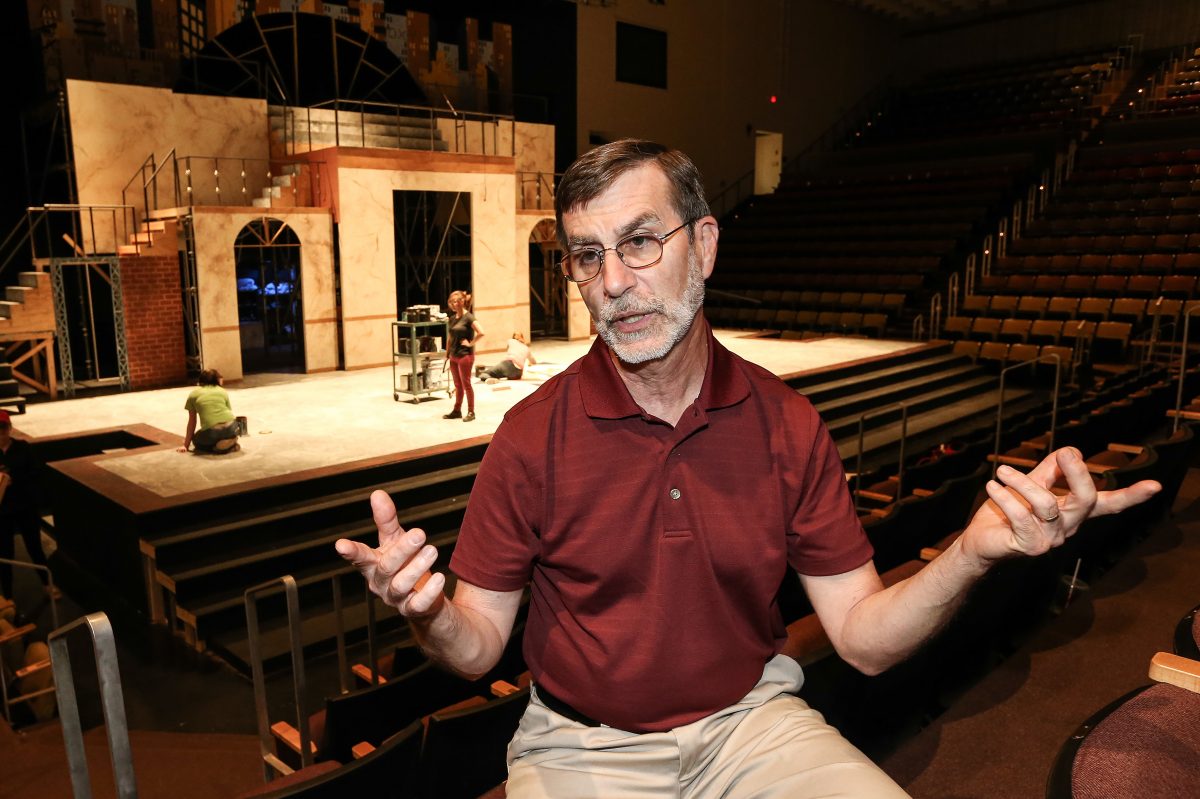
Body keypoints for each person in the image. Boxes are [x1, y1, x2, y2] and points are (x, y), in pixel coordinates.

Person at [337, 140, 1160, 797]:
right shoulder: (529, 437)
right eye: (588, 256)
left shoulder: (787, 423)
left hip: (751, 722)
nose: (615, 281)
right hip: (580, 749)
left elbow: (865, 642)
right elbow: (477, 650)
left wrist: (972, 551)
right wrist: (430, 612)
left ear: (703, 244)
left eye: (640, 241)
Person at [0, 410, 55, 600]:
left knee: (34, 546)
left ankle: (47, 584)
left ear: (10, 428)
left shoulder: (23, 448)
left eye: (3, 427)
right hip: (3, 510)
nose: (1, 432)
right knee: (5, 553)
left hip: (25, 505)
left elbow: (36, 473)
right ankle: (7, 596)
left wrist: (14, 479)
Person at [179, 369, 239, 454]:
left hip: (212, 432)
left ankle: (217, 448)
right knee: (222, 432)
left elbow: (192, 422)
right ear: (216, 380)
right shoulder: (222, 391)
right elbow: (228, 412)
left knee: (196, 440)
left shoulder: (193, 394)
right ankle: (229, 442)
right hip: (232, 427)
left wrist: (186, 445)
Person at [444, 289, 483, 422]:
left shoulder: (469, 317)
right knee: (458, 385)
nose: (454, 304)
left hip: (465, 356)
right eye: (452, 302)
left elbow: (481, 332)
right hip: (454, 355)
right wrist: (447, 353)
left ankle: (471, 412)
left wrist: (470, 343)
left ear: (462, 302)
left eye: (456, 301)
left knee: (466, 384)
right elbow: (450, 337)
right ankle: (457, 410)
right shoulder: (452, 319)